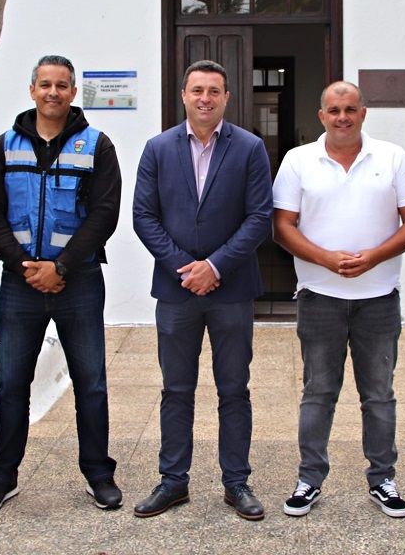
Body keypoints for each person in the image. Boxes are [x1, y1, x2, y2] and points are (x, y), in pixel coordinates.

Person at [0, 55, 123, 514]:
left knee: (91, 383)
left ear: (74, 93)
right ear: (32, 89)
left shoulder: (97, 146)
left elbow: (104, 215)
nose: (53, 92)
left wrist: (61, 268)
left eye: (62, 85)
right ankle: (2, 477)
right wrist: (24, 265)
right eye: (45, 84)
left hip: (78, 283)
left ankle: (99, 474)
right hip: (20, 285)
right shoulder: (5, 146)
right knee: (12, 385)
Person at [272, 81, 405, 519]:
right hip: (319, 297)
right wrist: (324, 259)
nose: (343, 117)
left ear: (363, 113)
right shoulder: (298, 160)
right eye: (334, 110)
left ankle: (383, 480)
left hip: (378, 298)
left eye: (350, 109)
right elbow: (283, 224)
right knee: (318, 392)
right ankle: (309, 479)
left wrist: (375, 257)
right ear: (321, 115)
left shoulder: (392, 157)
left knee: (379, 394)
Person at [131, 59, 273, 521]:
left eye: (214, 91)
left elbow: (259, 217)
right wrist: (184, 268)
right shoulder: (157, 148)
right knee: (176, 389)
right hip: (176, 293)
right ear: (184, 95)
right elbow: (144, 217)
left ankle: (237, 482)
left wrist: (214, 266)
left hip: (231, 290)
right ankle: (173, 481)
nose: (205, 98)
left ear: (227, 97)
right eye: (197, 90)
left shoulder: (250, 148)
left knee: (234, 389)